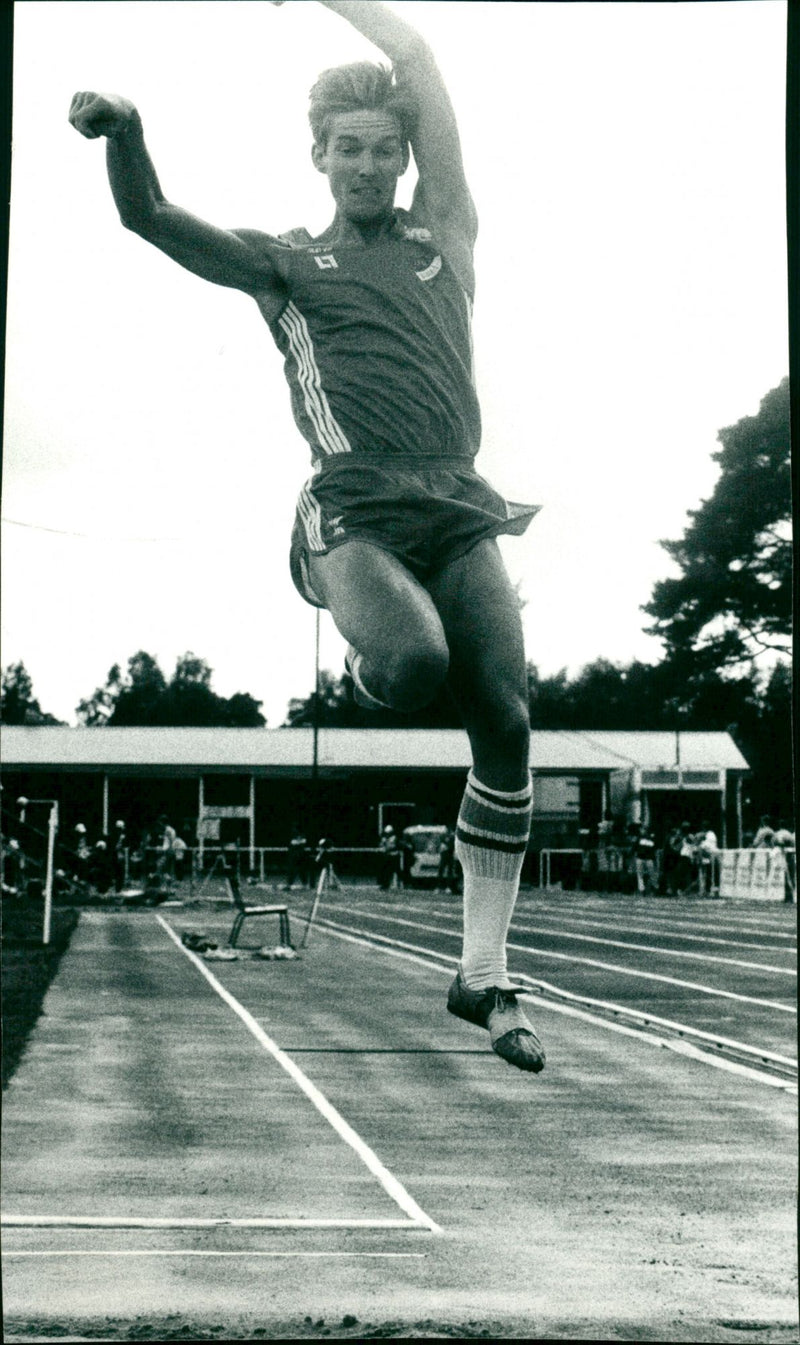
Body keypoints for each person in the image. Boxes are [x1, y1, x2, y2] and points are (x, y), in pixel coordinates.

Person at [68, 0, 544, 1074]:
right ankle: (341, 596)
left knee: (506, 719)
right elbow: (149, 217)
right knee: (417, 663)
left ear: (402, 156)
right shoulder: (284, 266)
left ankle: (480, 972)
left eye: (386, 149)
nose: (370, 166)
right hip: (355, 506)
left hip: (458, 498)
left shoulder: (444, 237)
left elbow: (416, 54)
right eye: (350, 151)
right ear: (320, 159)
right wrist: (127, 128)